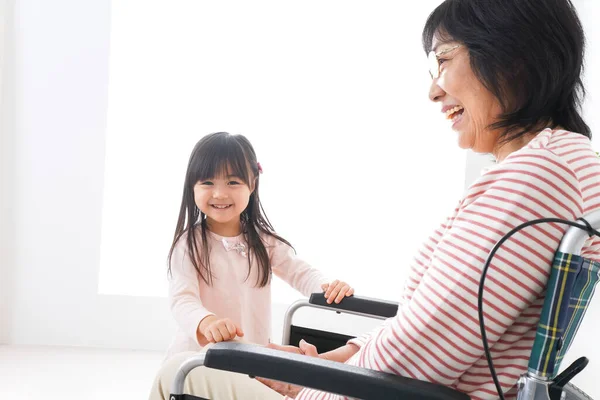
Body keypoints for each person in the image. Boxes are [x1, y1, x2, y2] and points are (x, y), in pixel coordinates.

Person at [150, 0, 600, 399]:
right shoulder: (563, 162)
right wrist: (337, 357)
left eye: (444, 60)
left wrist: (307, 380)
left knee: (181, 373)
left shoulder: (532, 178)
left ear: (511, 59)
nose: (433, 90)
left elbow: (424, 350)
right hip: (386, 380)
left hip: (376, 391)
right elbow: (430, 330)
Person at [163, 132, 354, 360]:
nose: (220, 193)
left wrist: (328, 287)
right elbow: (182, 300)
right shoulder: (189, 244)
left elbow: (299, 272)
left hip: (251, 357)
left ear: (252, 184)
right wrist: (207, 322)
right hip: (199, 359)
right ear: (192, 186)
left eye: (233, 182)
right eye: (207, 182)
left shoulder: (263, 240)